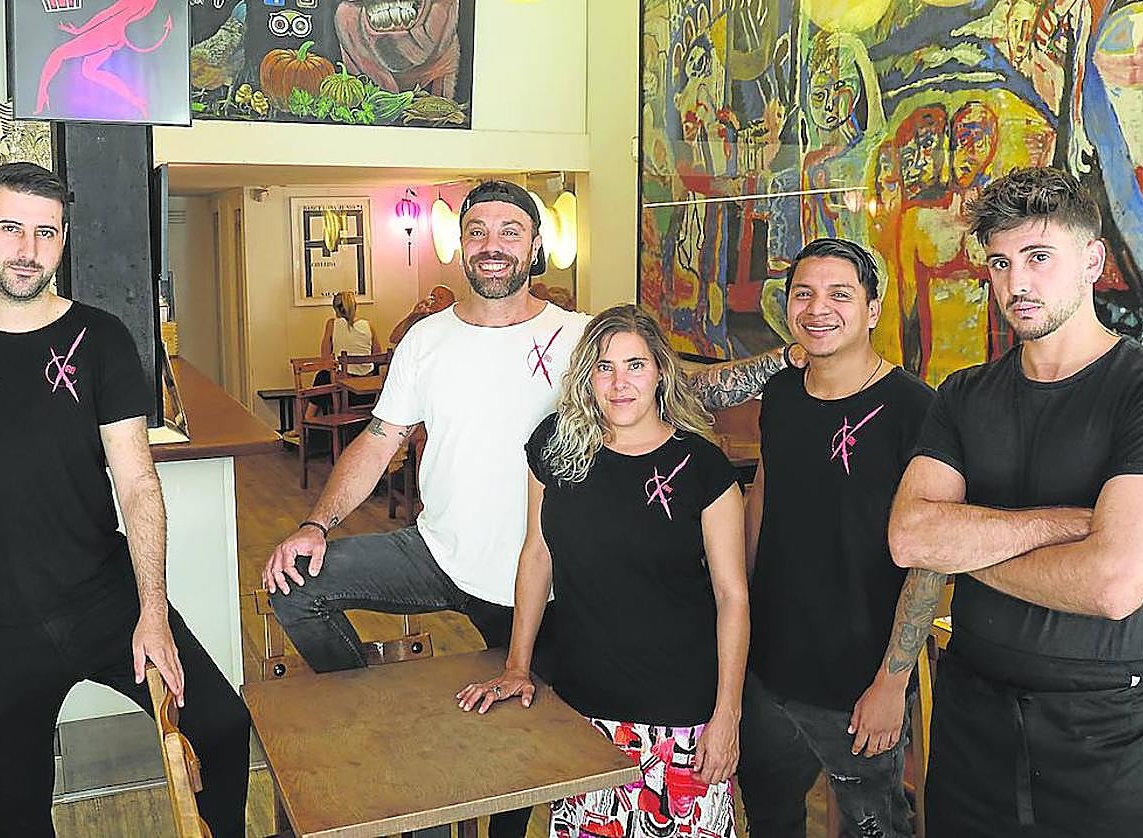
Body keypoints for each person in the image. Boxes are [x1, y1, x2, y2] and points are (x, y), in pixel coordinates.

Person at [263, 180, 791, 838]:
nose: (492, 245)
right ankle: (377, 712)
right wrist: (315, 525)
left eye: (510, 231)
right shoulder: (426, 339)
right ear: (461, 245)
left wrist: (787, 357)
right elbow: (377, 440)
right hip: (434, 554)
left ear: (535, 244)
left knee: (521, 744)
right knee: (296, 587)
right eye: (477, 231)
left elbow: (680, 385)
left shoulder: (581, 338)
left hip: (542, 579)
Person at [0, 162, 249, 836]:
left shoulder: (100, 336)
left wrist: (152, 611)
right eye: (11, 228)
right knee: (18, 814)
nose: (28, 250)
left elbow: (137, 483)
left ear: (64, 239)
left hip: (105, 598)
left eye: (46, 232)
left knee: (223, 727)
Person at [889, 167, 1143, 836]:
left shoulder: (1137, 389)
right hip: (971, 716)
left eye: (1038, 257)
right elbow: (910, 538)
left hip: (1104, 725)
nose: (1015, 284)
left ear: (1093, 261)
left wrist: (965, 546)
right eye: (1000, 263)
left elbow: (1114, 583)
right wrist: (1062, 526)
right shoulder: (963, 393)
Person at [457, 305, 749, 838]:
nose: (619, 384)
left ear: (660, 371)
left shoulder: (702, 467)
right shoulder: (556, 446)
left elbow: (732, 597)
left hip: (681, 712)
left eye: (635, 365)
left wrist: (727, 714)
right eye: (604, 367)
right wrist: (517, 666)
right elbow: (537, 554)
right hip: (584, 706)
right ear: (586, 375)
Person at [737, 238, 937, 838]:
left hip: (859, 682)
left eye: (839, 294)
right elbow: (763, 497)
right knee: (770, 819)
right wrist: (737, 623)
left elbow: (931, 558)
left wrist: (892, 684)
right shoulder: (781, 393)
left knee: (874, 827)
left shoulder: (914, 408)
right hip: (769, 669)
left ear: (872, 310)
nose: (818, 308)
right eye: (804, 293)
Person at [321, 289, 380, 375]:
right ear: (355, 307)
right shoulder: (368, 325)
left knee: (321, 375)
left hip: (343, 376)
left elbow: (325, 358)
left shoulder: (332, 324)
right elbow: (377, 356)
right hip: (367, 376)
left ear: (336, 309)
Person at [387, 283, 456, 346]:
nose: (435, 301)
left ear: (452, 303)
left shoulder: (454, 322)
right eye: (433, 297)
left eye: (440, 297)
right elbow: (394, 339)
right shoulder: (423, 318)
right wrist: (413, 314)